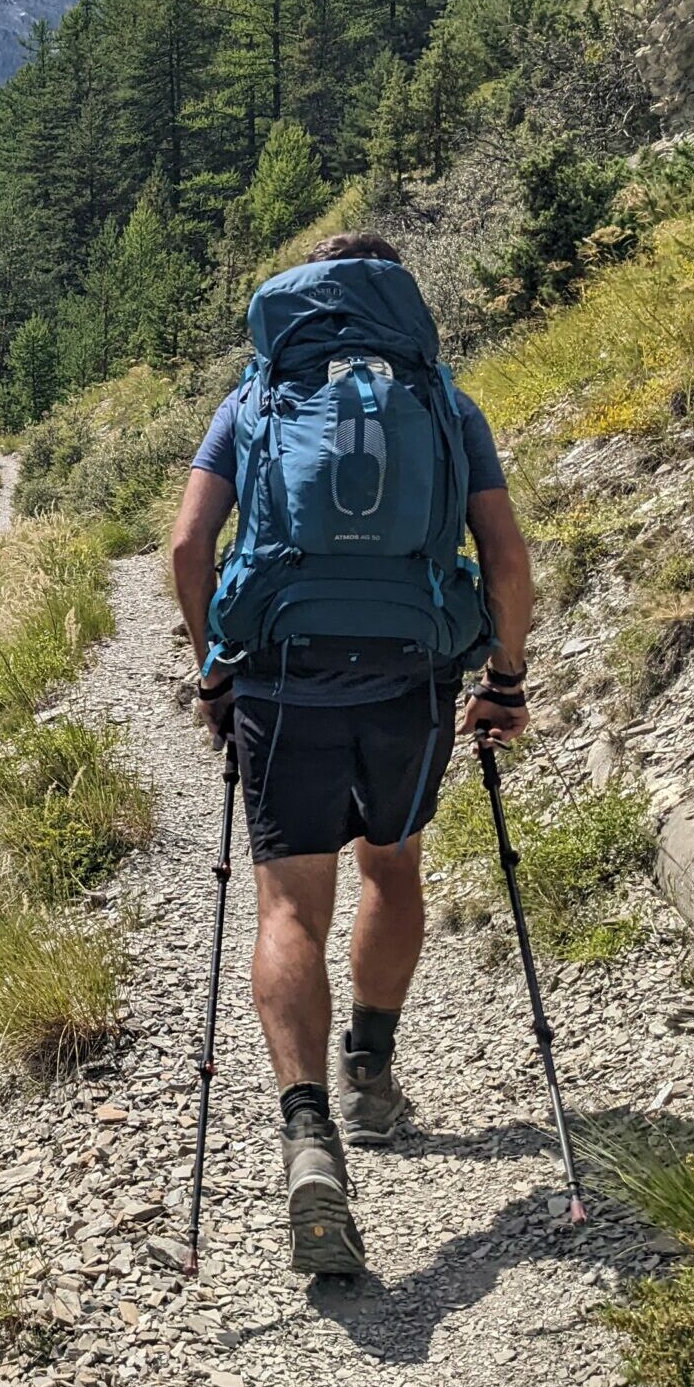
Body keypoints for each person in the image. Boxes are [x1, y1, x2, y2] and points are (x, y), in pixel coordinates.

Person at [168, 232, 533, 1277]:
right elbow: (504, 557)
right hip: (409, 678)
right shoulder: (441, 400)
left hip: (281, 675)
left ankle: (306, 1135)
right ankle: (370, 1070)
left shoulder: (259, 397)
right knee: (393, 865)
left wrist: (213, 667)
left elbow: (190, 547)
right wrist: (502, 677)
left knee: (288, 907)